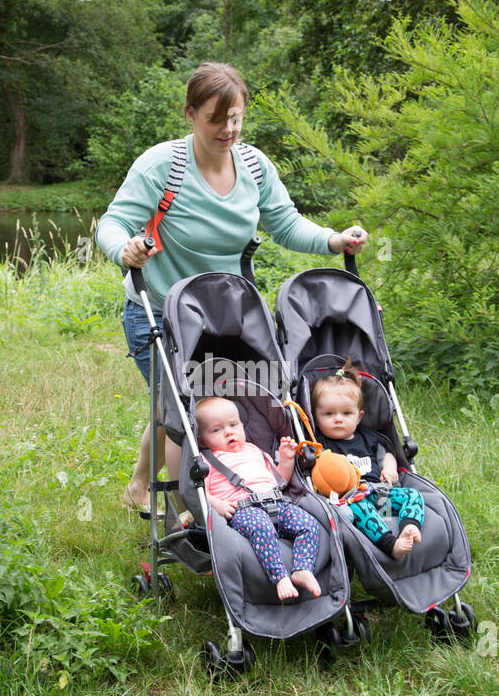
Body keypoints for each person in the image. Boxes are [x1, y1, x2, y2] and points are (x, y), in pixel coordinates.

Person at [94, 61, 368, 516]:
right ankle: (195, 508)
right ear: (190, 114)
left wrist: (332, 239)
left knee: (207, 404)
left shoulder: (255, 167)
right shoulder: (164, 165)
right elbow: (113, 222)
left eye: (236, 117)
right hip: (161, 310)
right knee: (185, 408)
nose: (228, 129)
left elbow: (286, 224)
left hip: (227, 317)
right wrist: (123, 249)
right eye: (215, 118)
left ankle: (146, 485)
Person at [196, 396, 321, 600]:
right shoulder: (207, 460)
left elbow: (280, 481)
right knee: (261, 529)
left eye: (234, 425)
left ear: (243, 426)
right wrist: (215, 503)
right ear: (202, 440)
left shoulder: (255, 450)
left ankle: (302, 569)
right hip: (244, 510)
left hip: (277, 502)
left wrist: (287, 459)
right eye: (217, 430)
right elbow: (200, 491)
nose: (229, 432)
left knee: (309, 524)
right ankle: (280, 577)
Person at [311, 363, 425, 560]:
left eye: (346, 413)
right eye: (329, 414)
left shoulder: (369, 438)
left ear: (359, 416)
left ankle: (409, 526)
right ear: (316, 417)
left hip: (380, 496)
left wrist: (389, 468)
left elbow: (387, 455)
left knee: (412, 495)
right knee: (360, 509)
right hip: (351, 500)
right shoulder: (320, 445)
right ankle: (392, 546)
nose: (338, 419)